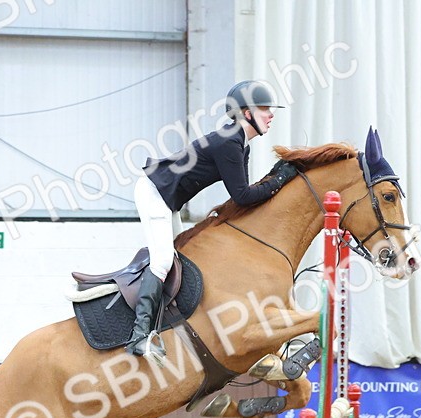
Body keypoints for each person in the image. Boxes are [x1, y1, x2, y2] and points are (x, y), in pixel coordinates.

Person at [127, 80, 298, 359]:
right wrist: (280, 179)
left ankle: (168, 326)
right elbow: (243, 196)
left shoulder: (241, 144)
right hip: (153, 192)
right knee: (162, 262)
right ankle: (139, 336)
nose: (271, 114)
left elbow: (244, 195)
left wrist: (275, 179)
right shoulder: (229, 143)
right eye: (265, 108)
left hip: (167, 198)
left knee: (180, 257)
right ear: (246, 113)